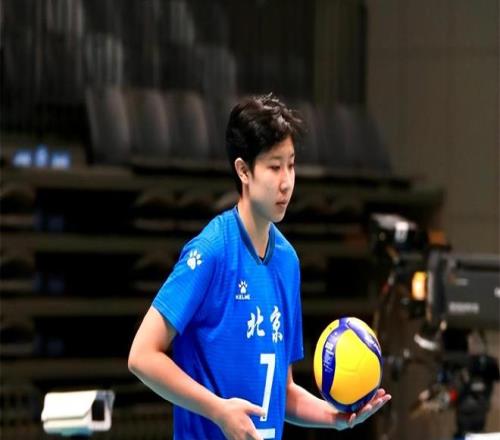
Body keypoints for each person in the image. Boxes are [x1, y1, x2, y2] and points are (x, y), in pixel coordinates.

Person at [128, 93, 391, 440]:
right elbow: (142, 356)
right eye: (274, 166)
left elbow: (283, 393)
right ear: (243, 171)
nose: (286, 182)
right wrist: (219, 410)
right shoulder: (212, 251)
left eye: (291, 165)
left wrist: (336, 417)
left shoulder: (287, 262)